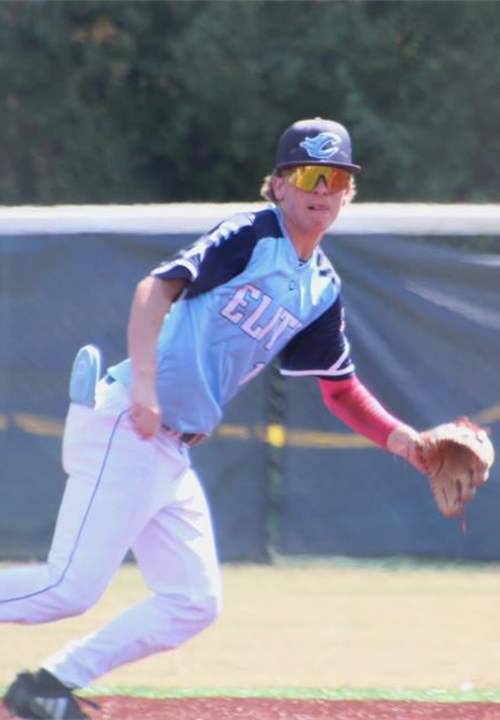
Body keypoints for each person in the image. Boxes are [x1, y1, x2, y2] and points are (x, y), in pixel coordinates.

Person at [1, 117, 424, 720]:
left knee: (193, 602)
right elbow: (154, 290)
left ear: (348, 193)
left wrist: (410, 444)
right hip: (129, 423)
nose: (322, 189)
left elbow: (340, 389)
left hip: (169, 450)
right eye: (309, 174)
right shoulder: (253, 234)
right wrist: (146, 387)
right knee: (67, 588)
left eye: (335, 178)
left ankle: (47, 685)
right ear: (279, 184)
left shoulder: (321, 288)